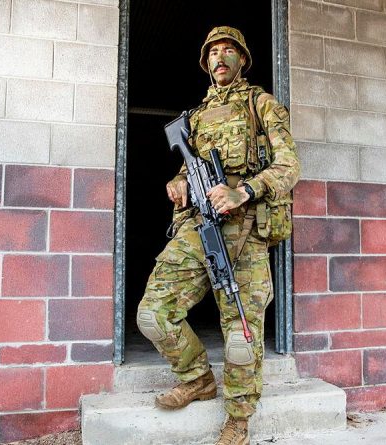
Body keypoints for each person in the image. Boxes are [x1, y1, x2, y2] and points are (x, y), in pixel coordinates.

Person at [136, 26, 300, 445]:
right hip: (198, 225)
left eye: (229, 51)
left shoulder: (260, 104)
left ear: (242, 60)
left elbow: (288, 167)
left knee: (242, 333)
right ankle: (196, 378)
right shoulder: (195, 116)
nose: (220, 58)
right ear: (206, 62)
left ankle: (238, 419)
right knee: (153, 313)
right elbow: (186, 170)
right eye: (213, 52)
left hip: (245, 229)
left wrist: (242, 190)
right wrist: (177, 184)